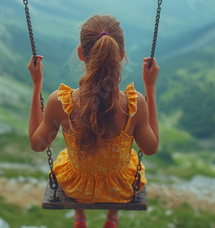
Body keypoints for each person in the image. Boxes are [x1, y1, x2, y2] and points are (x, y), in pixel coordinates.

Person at [28, 15, 159, 228]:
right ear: (121, 55)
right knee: (130, 158)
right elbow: (151, 148)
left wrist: (37, 85)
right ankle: (112, 217)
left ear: (81, 53)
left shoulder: (60, 103)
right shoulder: (135, 105)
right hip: (120, 188)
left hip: (77, 188)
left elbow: (37, 144)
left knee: (66, 158)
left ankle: (80, 217)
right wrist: (150, 87)